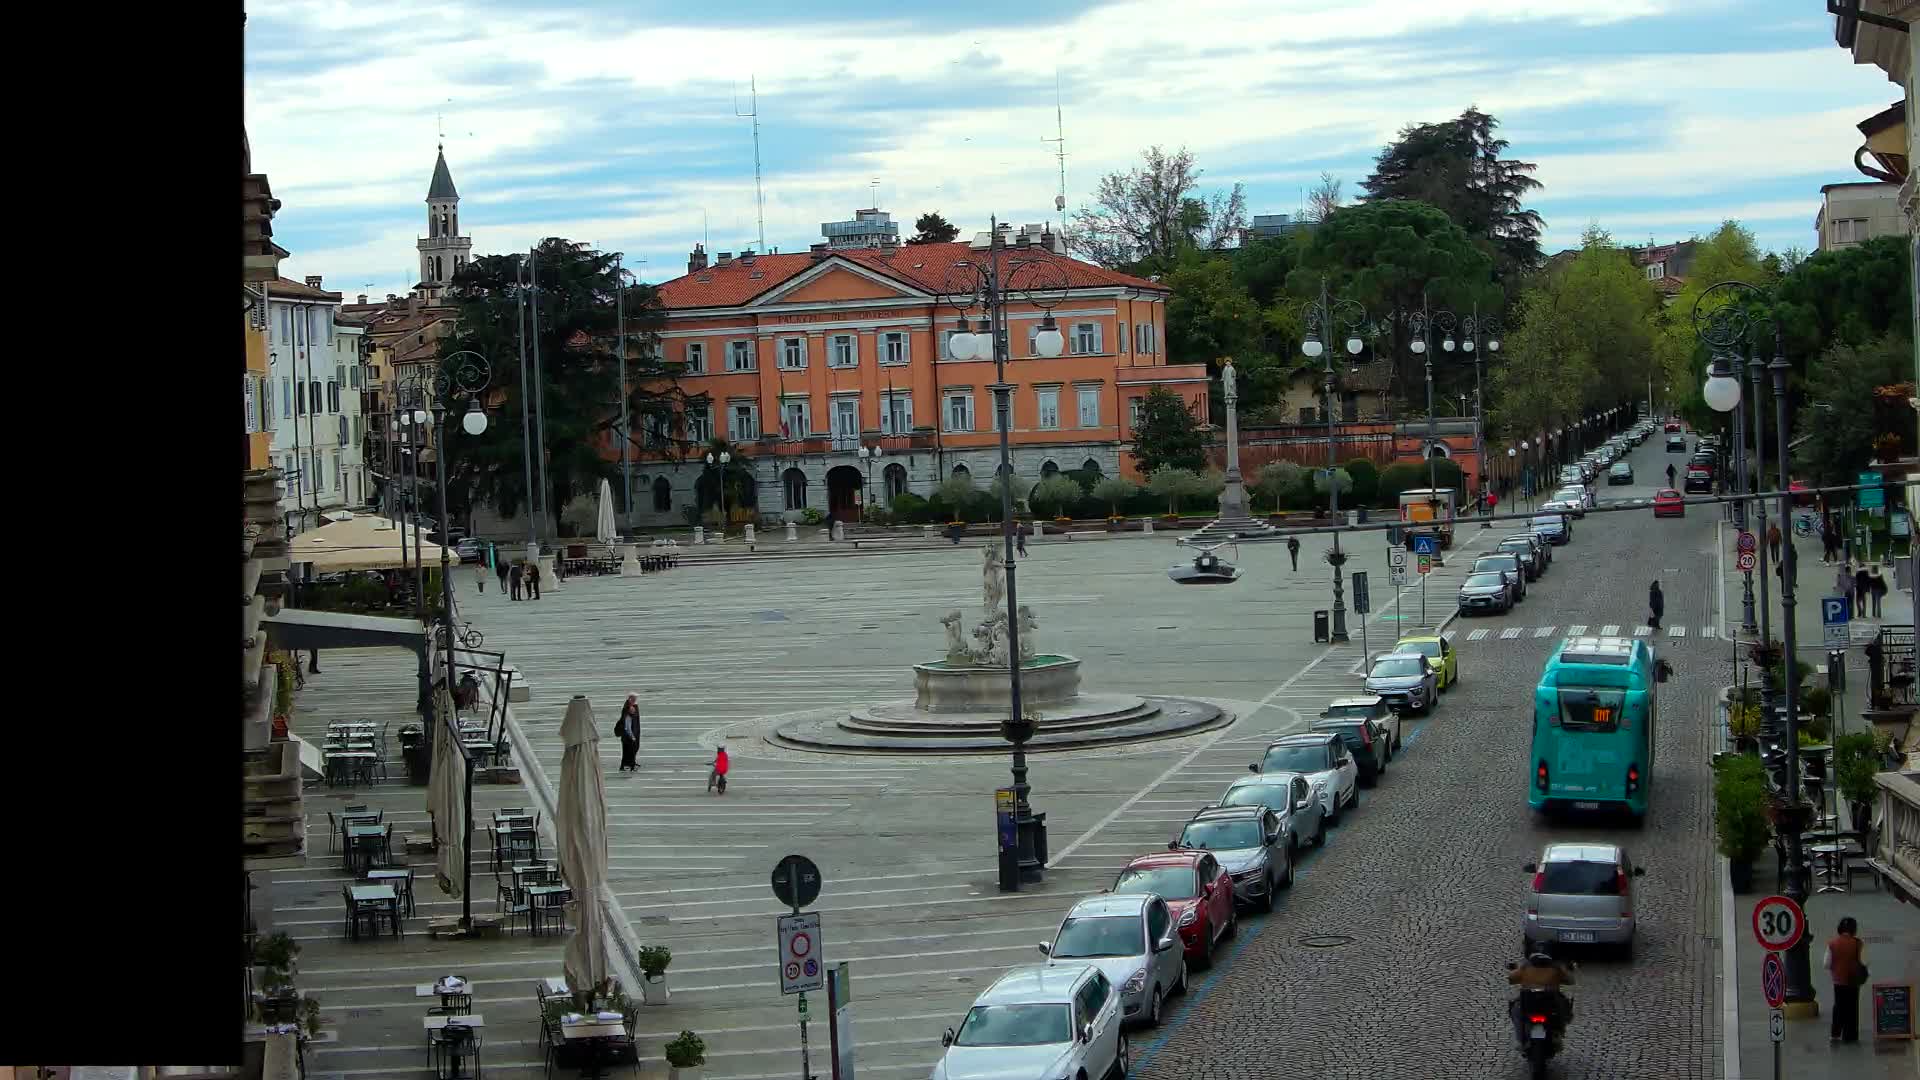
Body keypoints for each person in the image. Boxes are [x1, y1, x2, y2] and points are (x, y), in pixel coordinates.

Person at [1506, 950, 1575, 1043]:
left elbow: (1511, 979)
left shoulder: (1525, 967)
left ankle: (1521, 1038)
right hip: (1551, 1004)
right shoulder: (1556, 968)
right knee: (1565, 1008)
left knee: (1515, 1011)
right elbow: (1570, 981)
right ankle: (1559, 1031)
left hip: (1528, 1002)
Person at [1824, 916, 1867, 1043]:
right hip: (1853, 981)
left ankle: (1836, 1034)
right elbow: (1863, 961)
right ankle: (1851, 1035)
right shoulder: (1858, 943)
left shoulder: (1832, 944)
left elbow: (1826, 964)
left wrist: (1836, 968)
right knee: (1852, 1008)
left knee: (1839, 1007)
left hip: (1838, 981)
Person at [614, 694, 641, 772]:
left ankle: (626, 765)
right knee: (630, 751)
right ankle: (631, 765)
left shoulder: (630, 707)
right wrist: (632, 736)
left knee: (628, 751)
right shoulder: (628, 715)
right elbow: (628, 728)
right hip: (628, 737)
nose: (634, 711)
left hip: (627, 736)